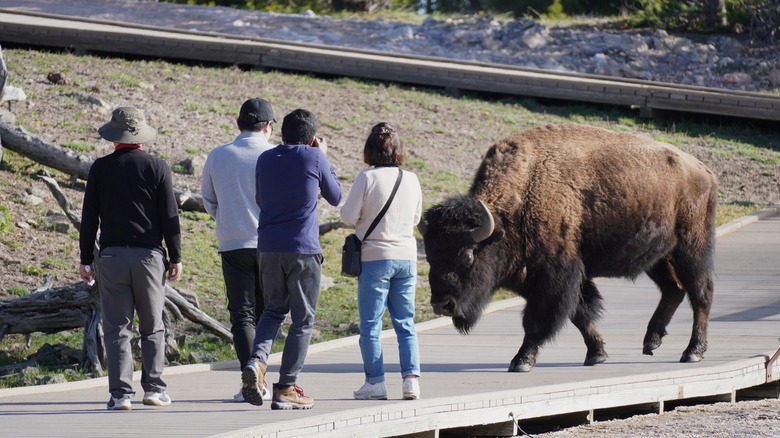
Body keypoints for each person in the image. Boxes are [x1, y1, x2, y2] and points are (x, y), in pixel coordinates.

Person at [79, 106, 182, 411]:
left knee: (116, 328)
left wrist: (86, 258)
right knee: (153, 326)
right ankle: (153, 388)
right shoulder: (157, 167)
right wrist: (175, 256)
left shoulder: (100, 168)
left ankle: (121, 394)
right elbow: (169, 216)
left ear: (115, 136)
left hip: (111, 257)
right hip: (149, 257)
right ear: (141, 135)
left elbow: (89, 218)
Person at [241, 108, 342, 410]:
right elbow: (336, 196)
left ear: (282, 133)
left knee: (272, 311)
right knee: (303, 319)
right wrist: (322, 155)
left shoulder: (265, 158)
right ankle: (286, 387)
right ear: (312, 138)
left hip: (268, 247)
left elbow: (261, 199)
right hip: (303, 249)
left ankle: (258, 362)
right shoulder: (314, 157)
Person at [340, 122, 423, 401]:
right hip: (406, 257)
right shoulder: (411, 179)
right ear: (399, 150)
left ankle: (375, 382)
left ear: (370, 150)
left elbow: (348, 217)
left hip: (376, 257)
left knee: (371, 325)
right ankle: (411, 380)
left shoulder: (367, 178)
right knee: (405, 322)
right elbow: (415, 218)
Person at [201, 98, 276, 403]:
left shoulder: (218, 155)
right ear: (268, 127)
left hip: (233, 242)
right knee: (267, 314)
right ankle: (260, 377)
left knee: (241, 315)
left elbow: (208, 199)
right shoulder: (275, 155)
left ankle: (251, 380)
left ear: (237, 124)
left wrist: (227, 218)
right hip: (271, 244)